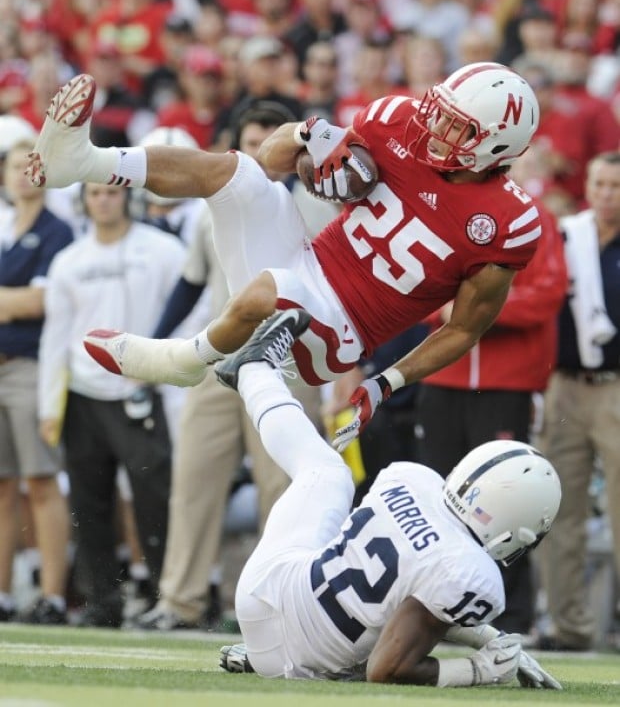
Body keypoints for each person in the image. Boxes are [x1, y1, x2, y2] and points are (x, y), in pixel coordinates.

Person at [27, 61, 542, 450]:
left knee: (276, 289)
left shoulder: (504, 223)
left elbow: (464, 328)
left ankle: (183, 360)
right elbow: (269, 162)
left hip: (340, 333)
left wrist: (385, 383)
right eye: (438, 111)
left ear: (497, 148)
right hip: (305, 257)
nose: (432, 127)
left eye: (455, 128)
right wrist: (306, 135)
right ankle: (85, 161)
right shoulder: (396, 119)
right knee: (239, 176)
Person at [215, 307, 562, 686]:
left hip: (263, 594)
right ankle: (292, 664)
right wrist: (479, 670)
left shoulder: (411, 479)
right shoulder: (473, 576)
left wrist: (493, 638)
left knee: (326, 473)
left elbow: (414, 586)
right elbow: (387, 668)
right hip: (300, 658)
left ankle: (255, 374)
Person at [132, 105, 323, 632]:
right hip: (219, 356)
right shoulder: (214, 202)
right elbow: (192, 281)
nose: (263, 153)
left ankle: (276, 609)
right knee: (194, 478)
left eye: (271, 142)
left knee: (282, 489)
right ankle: (180, 602)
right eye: (252, 142)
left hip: (289, 360)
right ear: (236, 147)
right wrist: (158, 342)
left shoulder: (315, 205)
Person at [414, 193, 567, 636]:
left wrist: (478, 308)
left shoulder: (539, 218)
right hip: (443, 376)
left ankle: (510, 618)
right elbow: (417, 287)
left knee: (508, 503)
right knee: (440, 496)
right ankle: (433, 609)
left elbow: (547, 295)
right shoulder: (443, 210)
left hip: (507, 383)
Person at [37, 183, 185, 627]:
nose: (104, 200)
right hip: (83, 394)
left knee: (153, 496)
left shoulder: (162, 250)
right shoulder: (69, 261)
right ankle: (102, 600)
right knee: (88, 502)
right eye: (96, 193)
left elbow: (189, 315)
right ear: (84, 202)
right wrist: (49, 406)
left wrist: (164, 369)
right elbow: (55, 339)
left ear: (128, 198)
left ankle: (165, 597)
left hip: (143, 387)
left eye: (112, 193)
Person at [534, 151, 620, 651]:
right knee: (558, 507)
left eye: (615, 185)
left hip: (615, 386)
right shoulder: (567, 236)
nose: (607, 194)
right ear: (587, 183)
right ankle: (569, 626)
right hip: (565, 383)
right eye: (600, 183)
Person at [0, 138, 73, 624]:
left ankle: (53, 595)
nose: (23, 174)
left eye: (32, 165)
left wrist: (12, 303)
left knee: (41, 480)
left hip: (30, 365)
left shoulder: (57, 231)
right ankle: (3, 593)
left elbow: (40, 303)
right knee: (2, 485)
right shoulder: (5, 229)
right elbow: (20, 299)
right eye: (13, 165)